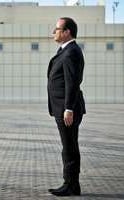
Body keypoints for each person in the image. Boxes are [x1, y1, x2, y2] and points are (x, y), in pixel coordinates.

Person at [47, 17, 86, 196]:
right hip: (62, 108)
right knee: (68, 146)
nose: (54, 32)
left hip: (66, 110)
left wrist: (68, 109)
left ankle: (70, 185)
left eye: (57, 29)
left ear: (67, 31)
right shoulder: (66, 50)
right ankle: (72, 184)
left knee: (69, 147)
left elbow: (72, 83)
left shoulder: (71, 52)